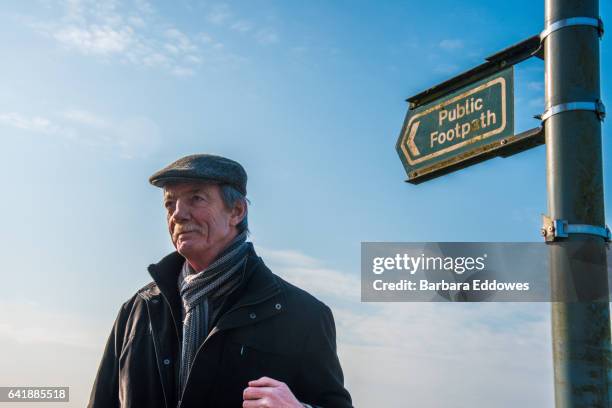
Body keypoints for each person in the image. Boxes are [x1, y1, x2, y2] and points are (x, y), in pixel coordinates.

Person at [88, 154, 353, 408]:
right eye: (170, 203)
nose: (177, 214)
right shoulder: (137, 310)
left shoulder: (303, 315)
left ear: (236, 211)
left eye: (196, 198)